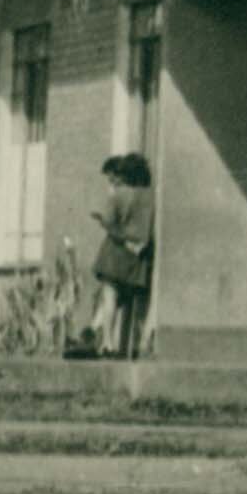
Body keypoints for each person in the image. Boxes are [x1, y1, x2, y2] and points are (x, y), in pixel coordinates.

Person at [89, 153, 155, 360]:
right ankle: (138, 344)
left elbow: (110, 222)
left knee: (110, 297)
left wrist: (102, 220)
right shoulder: (149, 197)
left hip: (115, 251)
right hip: (138, 255)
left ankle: (108, 343)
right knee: (133, 301)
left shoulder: (117, 195)